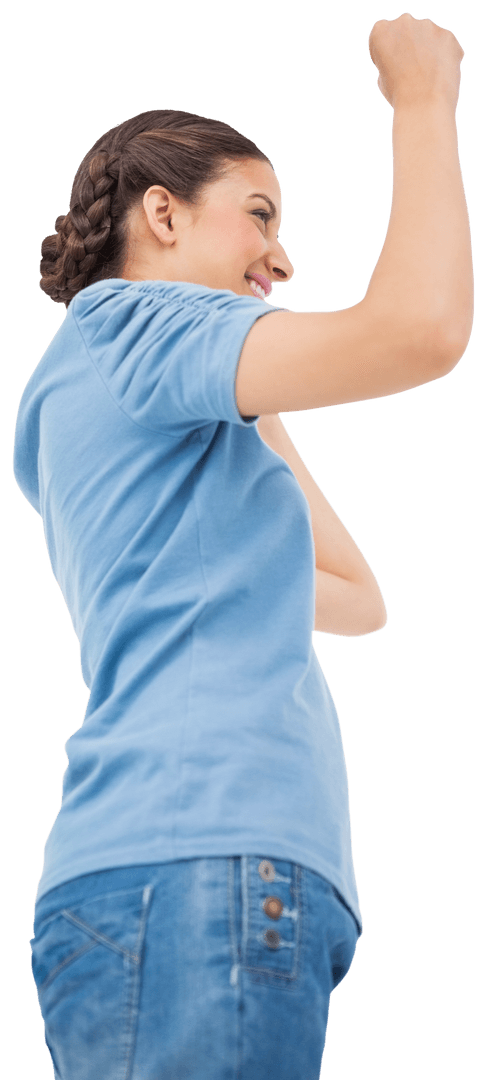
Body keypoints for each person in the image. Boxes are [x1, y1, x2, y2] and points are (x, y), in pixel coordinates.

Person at [12, 12, 473, 1080]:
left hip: (184, 871)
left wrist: (257, 407)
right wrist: (421, 100)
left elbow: (357, 597)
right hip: (199, 859)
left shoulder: (116, 381)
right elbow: (421, 331)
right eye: (257, 214)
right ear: (160, 213)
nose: (281, 254)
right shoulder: (135, 327)